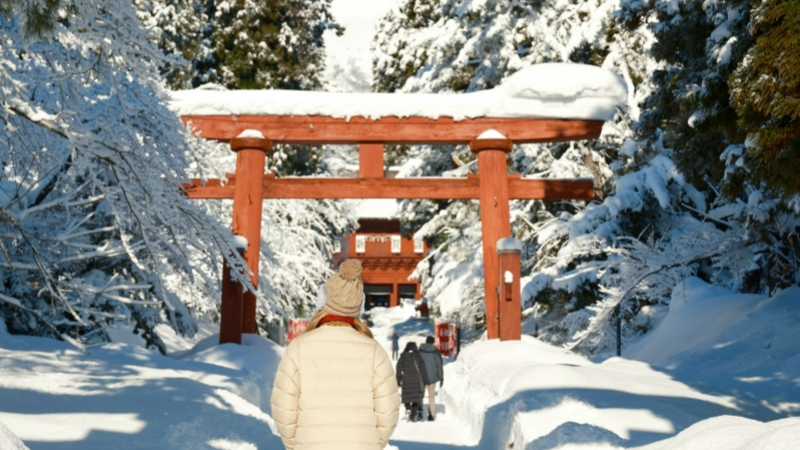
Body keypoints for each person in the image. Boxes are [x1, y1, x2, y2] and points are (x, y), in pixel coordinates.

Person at [271, 259, 400, 449]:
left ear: (323, 301)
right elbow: (388, 411)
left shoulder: (298, 347)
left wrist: (296, 444)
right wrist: (371, 442)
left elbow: (283, 407)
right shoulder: (375, 351)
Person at [395, 341, 430, 422]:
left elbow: (398, 369)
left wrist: (398, 381)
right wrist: (426, 381)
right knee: (416, 399)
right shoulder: (418, 356)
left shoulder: (403, 356)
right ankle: (413, 415)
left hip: (406, 379)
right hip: (416, 380)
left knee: (406, 397)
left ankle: (408, 409)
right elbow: (423, 369)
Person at [418, 336, 444, 421]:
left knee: (420, 395)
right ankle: (431, 415)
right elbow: (439, 365)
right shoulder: (435, 352)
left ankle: (420, 412)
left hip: (421, 376)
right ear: (433, 342)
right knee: (431, 396)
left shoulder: (420, 350)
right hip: (432, 377)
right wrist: (441, 377)